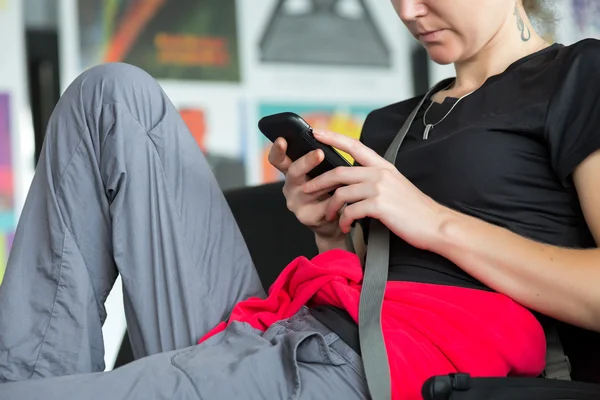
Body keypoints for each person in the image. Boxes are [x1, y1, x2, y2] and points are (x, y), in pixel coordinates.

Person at [1, 0, 599, 399]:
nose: (409, 11)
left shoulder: (578, 76)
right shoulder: (393, 122)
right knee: (110, 97)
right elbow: (371, 274)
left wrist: (432, 221)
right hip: (292, 326)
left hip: (374, 364)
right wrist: (330, 231)